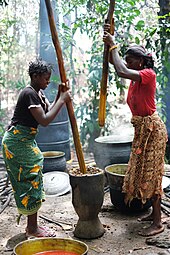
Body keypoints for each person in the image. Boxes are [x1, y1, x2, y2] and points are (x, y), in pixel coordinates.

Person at [103, 24, 167, 237]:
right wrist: (108, 44)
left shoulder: (147, 74)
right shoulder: (135, 77)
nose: (128, 63)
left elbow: (120, 68)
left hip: (153, 131)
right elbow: (117, 65)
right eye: (127, 60)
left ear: (140, 61)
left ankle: (158, 222)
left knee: (152, 174)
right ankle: (154, 214)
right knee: (141, 172)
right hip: (142, 130)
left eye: (131, 60)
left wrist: (113, 45)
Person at [1, 58, 72, 237]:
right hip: (17, 142)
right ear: (35, 76)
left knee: (32, 176)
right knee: (30, 179)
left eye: (49, 78)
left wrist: (59, 94)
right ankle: (32, 228)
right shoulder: (29, 93)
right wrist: (62, 100)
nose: (48, 81)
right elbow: (45, 121)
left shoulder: (37, 93)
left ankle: (32, 226)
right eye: (45, 78)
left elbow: (48, 113)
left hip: (25, 140)